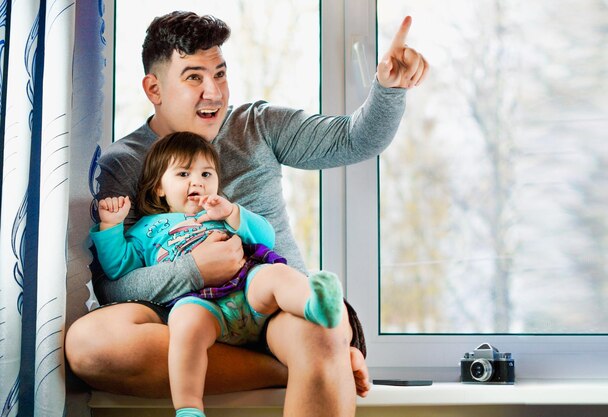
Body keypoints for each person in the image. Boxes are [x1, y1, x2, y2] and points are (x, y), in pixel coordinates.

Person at [65, 10, 428, 417]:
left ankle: (317, 356)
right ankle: (296, 369)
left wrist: (389, 89)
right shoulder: (124, 162)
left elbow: (353, 140)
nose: (214, 92)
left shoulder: (258, 124)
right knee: (89, 346)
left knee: (322, 333)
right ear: (154, 88)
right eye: (194, 77)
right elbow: (114, 286)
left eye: (220, 74)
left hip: (269, 304)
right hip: (185, 319)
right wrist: (195, 271)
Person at [91, 132, 345, 417]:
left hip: (248, 288)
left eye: (206, 173)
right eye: (183, 173)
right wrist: (111, 226)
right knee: (184, 327)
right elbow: (118, 267)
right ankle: (189, 408)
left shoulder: (221, 212)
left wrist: (234, 212)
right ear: (159, 187)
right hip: (200, 303)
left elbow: (266, 237)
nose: (197, 181)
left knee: (277, 274)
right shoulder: (146, 229)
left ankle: (314, 304)